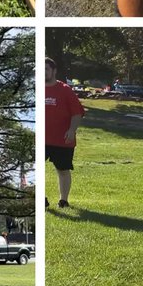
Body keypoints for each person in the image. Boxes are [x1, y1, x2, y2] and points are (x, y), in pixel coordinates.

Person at [44, 57, 86, 208]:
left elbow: (77, 113)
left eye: (46, 69)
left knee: (63, 170)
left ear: (54, 71)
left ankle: (64, 200)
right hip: (42, 139)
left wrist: (72, 130)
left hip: (62, 139)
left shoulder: (65, 90)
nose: (43, 73)